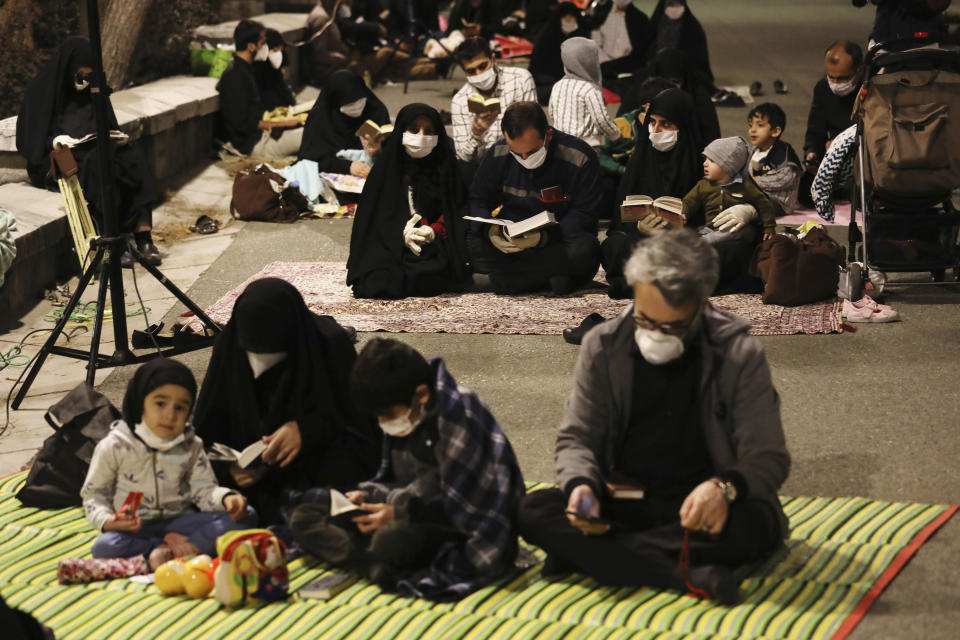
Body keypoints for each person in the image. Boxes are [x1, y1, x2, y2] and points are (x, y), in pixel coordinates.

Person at [518, 229, 790, 605]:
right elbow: (578, 437)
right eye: (645, 320)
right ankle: (678, 573)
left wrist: (723, 489)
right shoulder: (604, 345)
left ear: (701, 304)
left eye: (672, 326)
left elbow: (767, 457)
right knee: (530, 510)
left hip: (700, 507)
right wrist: (581, 486)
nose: (655, 336)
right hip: (626, 497)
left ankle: (594, 557)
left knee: (757, 527)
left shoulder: (738, 354)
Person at [290, 338, 525, 600]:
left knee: (390, 539)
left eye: (386, 414)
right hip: (405, 506)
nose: (383, 423)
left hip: (445, 523)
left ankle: (371, 560)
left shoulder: (457, 415)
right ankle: (373, 564)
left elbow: (459, 503)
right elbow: (398, 480)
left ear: (421, 395)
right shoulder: (409, 410)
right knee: (305, 513)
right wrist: (367, 496)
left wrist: (399, 514)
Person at [193, 278, 383, 526]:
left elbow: (362, 425)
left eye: (273, 353)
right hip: (254, 476)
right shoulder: (230, 349)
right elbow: (203, 436)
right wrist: (230, 470)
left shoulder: (329, 345)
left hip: (317, 460)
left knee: (350, 484)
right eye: (254, 353)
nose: (261, 363)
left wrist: (307, 430)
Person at [81, 359, 252, 569]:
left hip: (181, 524)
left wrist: (226, 498)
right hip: (137, 527)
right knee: (105, 547)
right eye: (160, 403)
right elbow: (94, 495)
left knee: (246, 516)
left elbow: (204, 489)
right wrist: (107, 521)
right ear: (139, 402)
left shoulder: (191, 444)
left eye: (180, 407)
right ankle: (163, 549)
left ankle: (186, 547)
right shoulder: (114, 446)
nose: (171, 415)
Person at [16, 37, 162, 265]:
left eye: (88, 75)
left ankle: (144, 236)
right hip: (57, 156)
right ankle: (114, 238)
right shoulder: (42, 90)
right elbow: (30, 137)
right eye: (80, 75)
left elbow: (107, 122)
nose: (83, 80)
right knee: (98, 167)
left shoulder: (92, 89)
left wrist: (115, 136)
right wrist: (54, 140)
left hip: (94, 147)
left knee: (132, 159)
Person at [467, 101, 603, 295]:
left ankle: (501, 280)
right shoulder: (499, 152)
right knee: (467, 239)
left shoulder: (579, 156)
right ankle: (546, 279)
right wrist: (491, 231)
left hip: (556, 239)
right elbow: (478, 199)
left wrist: (542, 238)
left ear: (547, 135)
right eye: (516, 153)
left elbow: (585, 214)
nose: (524, 159)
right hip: (511, 240)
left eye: (531, 152)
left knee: (584, 250)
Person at [346, 104, 471, 298]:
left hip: (431, 243)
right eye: (414, 130)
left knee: (431, 275)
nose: (421, 136)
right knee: (377, 283)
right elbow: (373, 222)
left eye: (429, 131)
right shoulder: (385, 171)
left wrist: (433, 230)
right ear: (402, 131)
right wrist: (400, 235)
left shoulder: (446, 168)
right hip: (390, 245)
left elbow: (455, 211)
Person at [603, 88, 704, 299]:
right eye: (652, 122)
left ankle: (638, 283)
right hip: (639, 242)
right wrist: (638, 226)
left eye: (665, 124)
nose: (656, 130)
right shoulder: (640, 159)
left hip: (677, 245)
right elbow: (619, 223)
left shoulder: (698, 163)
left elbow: (704, 220)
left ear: (682, 126)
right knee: (614, 245)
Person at [681, 136, 776, 293]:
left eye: (712, 161)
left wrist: (769, 227)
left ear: (728, 165)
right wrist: (683, 213)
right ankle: (702, 241)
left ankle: (703, 242)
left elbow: (764, 205)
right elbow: (689, 202)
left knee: (743, 231)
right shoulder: (703, 185)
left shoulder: (745, 186)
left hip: (738, 229)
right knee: (700, 232)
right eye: (705, 159)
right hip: (712, 229)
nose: (705, 164)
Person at [216, 20, 304, 158]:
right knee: (314, 134)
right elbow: (243, 124)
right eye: (262, 44)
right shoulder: (235, 76)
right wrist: (280, 124)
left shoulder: (245, 70)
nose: (264, 48)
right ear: (251, 47)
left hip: (264, 136)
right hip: (255, 145)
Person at [450, 37, 536, 175]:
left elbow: (533, 128)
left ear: (493, 59)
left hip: (521, 159)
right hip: (484, 167)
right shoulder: (460, 100)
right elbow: (464, 157)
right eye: (471, 71)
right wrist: (476, 133)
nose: (479, 74)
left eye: (483, 66)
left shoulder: (520, 79)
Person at [800, 40, 863, 206]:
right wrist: (812, 152)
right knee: (803, 189)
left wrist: (845, 144)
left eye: (842, 78)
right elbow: (815, 128)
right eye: (831, 77)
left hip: (862, 154)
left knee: (859, 193)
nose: (835, 84)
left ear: (859, 70)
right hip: (833, 155)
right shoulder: (823, 89)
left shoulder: (871, 91)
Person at [297, 69, 390, 178]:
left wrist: (377, 152)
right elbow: (310, 159)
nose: (356, 106)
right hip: (335, 177)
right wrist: (347, 167)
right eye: (349, 103)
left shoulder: (376, 110)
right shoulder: (322, 117)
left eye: (360, 99)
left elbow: (392, 153)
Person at [548, 37, 621, 149]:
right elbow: (601, 121)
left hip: (560, 144)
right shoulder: (589, 89)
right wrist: (617, 136)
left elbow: (552, 113)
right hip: (586, 147)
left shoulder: (558, 85)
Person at [746, 103, 802, 217]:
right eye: (751, 125)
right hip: (757, 192)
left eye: (760, 125)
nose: (752, 130)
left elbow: (785, 178)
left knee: (755, 205)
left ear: (775, 131)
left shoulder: (783, 152)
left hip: (779, 202)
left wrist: (751, 182)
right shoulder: (755, 150)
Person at [529, 3, 590, 105]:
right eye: (565, 17)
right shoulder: (547, 34)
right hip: (548, 78)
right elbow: (538, 65)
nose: (568, 20)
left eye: (571, 17)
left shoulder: (582, 35)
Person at [645, 1, 715, 88]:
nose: (674, 8)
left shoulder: (693, 28)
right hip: (656, 72)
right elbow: (645, 52)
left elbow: (700, 59)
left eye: (677, 4)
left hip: (685, 73)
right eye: (671, 4)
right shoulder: (655, 26)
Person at [588, 0, 651, 90]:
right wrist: (605, 63)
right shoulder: (602, 15)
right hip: (602, 69)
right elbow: (595, 43)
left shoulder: (640, 18)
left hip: (630, 71)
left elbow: (642, 49)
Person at [253, 28, 296, 111]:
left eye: (280, 50)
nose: (278, 54)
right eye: (275, 50)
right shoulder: (257, 69)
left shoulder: (276, 69)